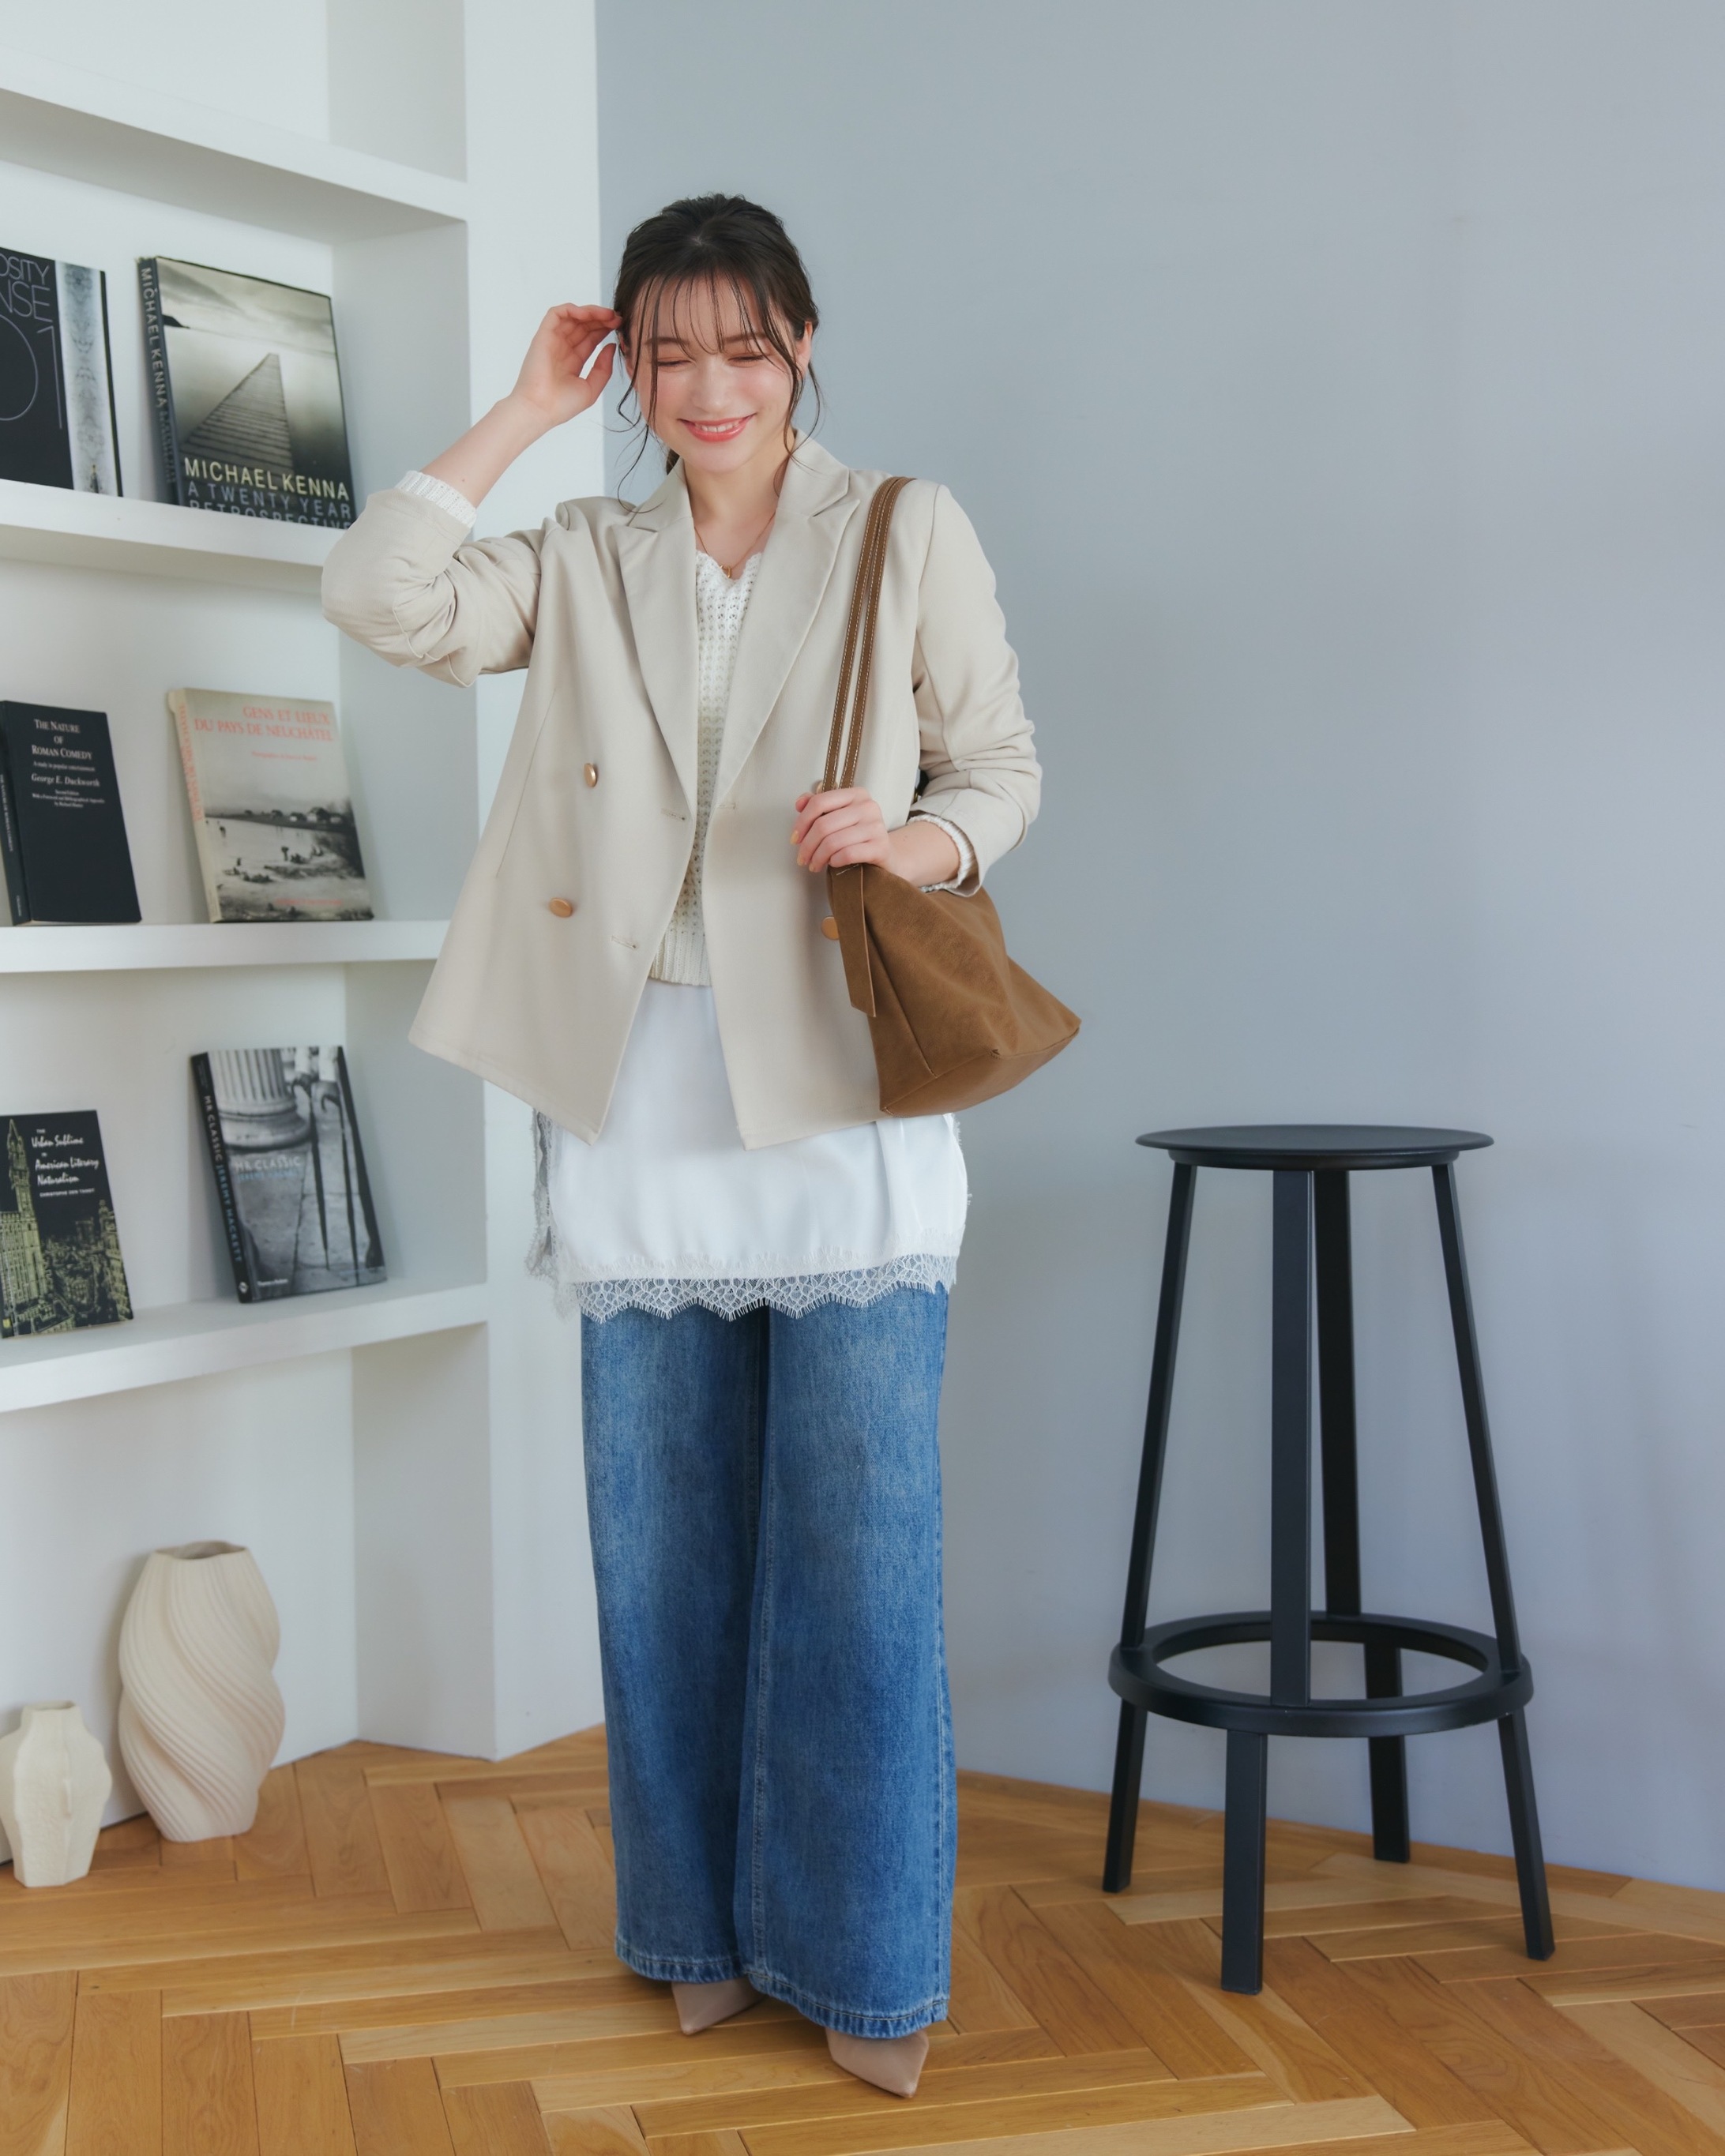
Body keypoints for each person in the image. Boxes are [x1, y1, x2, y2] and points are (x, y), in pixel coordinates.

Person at [322, 194, 1039, 2099]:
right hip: (636, 1093)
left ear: (803, 344)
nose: (709, 387)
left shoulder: (904, 528)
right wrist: (521, 411)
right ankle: (698, 1936)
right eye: (668, 354)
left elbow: (1001, 769)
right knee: (663, 1553)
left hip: (839, 1097)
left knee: (860, 1562)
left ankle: (864, 1965)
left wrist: (912, 841)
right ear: (626, 369)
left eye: (743, 346)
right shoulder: (586, 549)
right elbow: (381, 599)